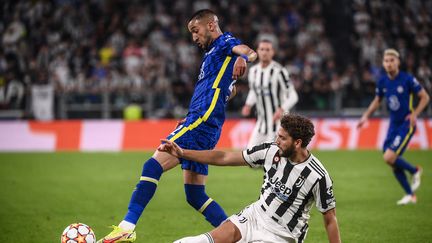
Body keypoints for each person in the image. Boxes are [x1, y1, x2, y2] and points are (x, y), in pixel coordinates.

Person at [98, 9, 257, 243]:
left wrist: (243, 57)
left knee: (152, 165)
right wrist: (215, 100)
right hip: (204, 120)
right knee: (194, 194)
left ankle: (126, 227)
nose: (194, 37)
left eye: (196, 30)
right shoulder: (215, 53)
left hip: (202, 120)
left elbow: (249, 52)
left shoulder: (225, 42)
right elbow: (228, 91)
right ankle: (239, 237)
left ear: (211, 25)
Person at [159, 114, 341, 243]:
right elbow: (224, 157)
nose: (277, 141)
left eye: (282, 138)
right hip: (254, 216)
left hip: (282, 234)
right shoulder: (270, 151)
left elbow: (330, 218)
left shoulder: (318, 176)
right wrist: (183, 153)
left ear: (298, 142)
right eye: (277, 135)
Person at [357, 48, 430, 205]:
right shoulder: (383, 81)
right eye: (386, 61)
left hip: (406, 124)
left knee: (389, 156)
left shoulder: (407, 79)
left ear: (398, 62)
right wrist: (365, 116)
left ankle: (415, 170)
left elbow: (425, 97)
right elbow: (377, 101)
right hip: (393, 125)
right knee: (391, 160)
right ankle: (410, 195)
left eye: (392, 60)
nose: (389, 63)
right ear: (383, 63)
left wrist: (415, 113)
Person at [241, 39, 298, 147]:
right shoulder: (253, 71)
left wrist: (282, 109)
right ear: (257, 51)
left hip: (279, 124)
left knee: (272, 158)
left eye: (267, 49)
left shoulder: (279, 71)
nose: (264, 52)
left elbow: (293, 95)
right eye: (262, 49)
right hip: (261, 123)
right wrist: (248, 105)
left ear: (273, 52)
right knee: (250, 157)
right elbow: (254, 90)